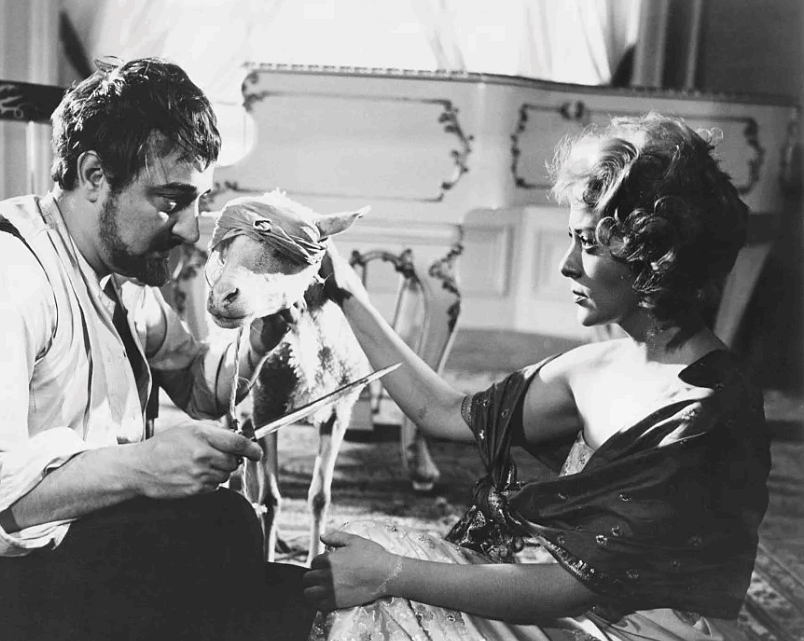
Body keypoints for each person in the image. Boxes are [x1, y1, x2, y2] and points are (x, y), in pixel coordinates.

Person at [305, 113, 771, 641]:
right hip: (589, 616)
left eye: (589, 244)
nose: (567, 265)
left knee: (384, 595)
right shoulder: (598, 366)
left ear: (651, 255)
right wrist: (346, 293)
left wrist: (390, 573)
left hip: (652, 634)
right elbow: (443, 413)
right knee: (369, 544)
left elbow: (568, 589)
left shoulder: (704, 412)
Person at [0, 58, 314, 641]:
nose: (191, 230)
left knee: (243, 548)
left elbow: (199, 387)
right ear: (94, 175)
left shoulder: (121, 274)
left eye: (198, 201)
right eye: (171, 199)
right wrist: (143, 467)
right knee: (220, 534)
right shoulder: (0, 275)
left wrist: (261, 336)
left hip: (61, 529)